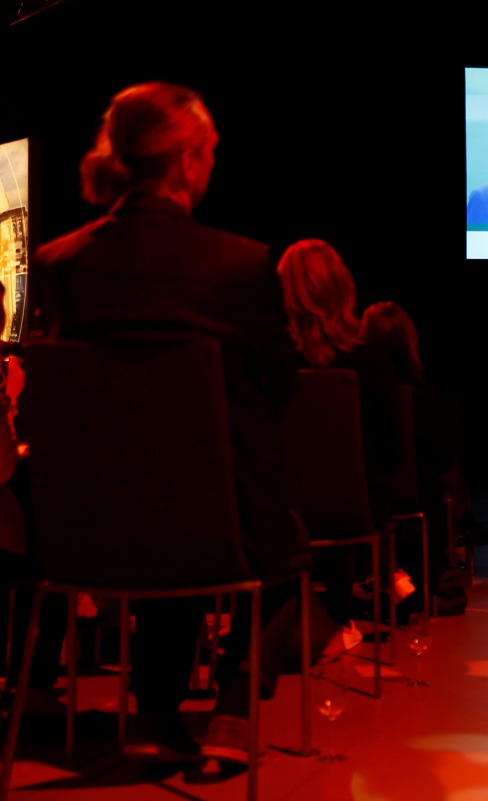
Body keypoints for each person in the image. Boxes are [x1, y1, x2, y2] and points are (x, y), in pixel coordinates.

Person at [27, 81, 338, 766]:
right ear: (190, 159)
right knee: (277, 545)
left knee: (172, 502)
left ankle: (154, 713)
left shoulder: (59, 264)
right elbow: (282, 385)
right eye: (213, 153)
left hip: (78, 534)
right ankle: (229, 708)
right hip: (209, 524)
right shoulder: (238, 263)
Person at [275, 238, 408, 631]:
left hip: (279, 511)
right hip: (356, 512)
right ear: (343, 286)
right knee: (350, 490)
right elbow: (394, 450)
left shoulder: (268, 360)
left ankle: (287, 624)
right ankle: (337, 617)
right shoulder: (370, 358)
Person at [359, 300, 488, 554]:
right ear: (410, 340)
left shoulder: (352, 390)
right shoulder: (425, 397)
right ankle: (463, 532)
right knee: (450, 478)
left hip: (364, 496)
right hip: (412, 498)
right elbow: (442, 464)